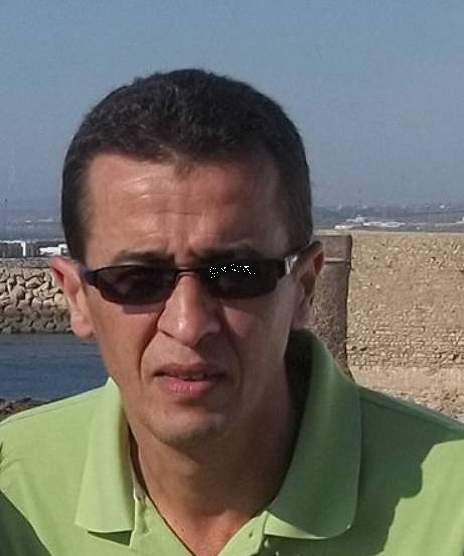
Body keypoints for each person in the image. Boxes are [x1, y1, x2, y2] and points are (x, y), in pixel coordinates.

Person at [1, 69, 464, 556]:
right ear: (76, 296)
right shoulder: (16, 494)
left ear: (304, 288)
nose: (188, 324)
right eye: (138, 281)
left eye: (235, 275)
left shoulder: (449, 509)